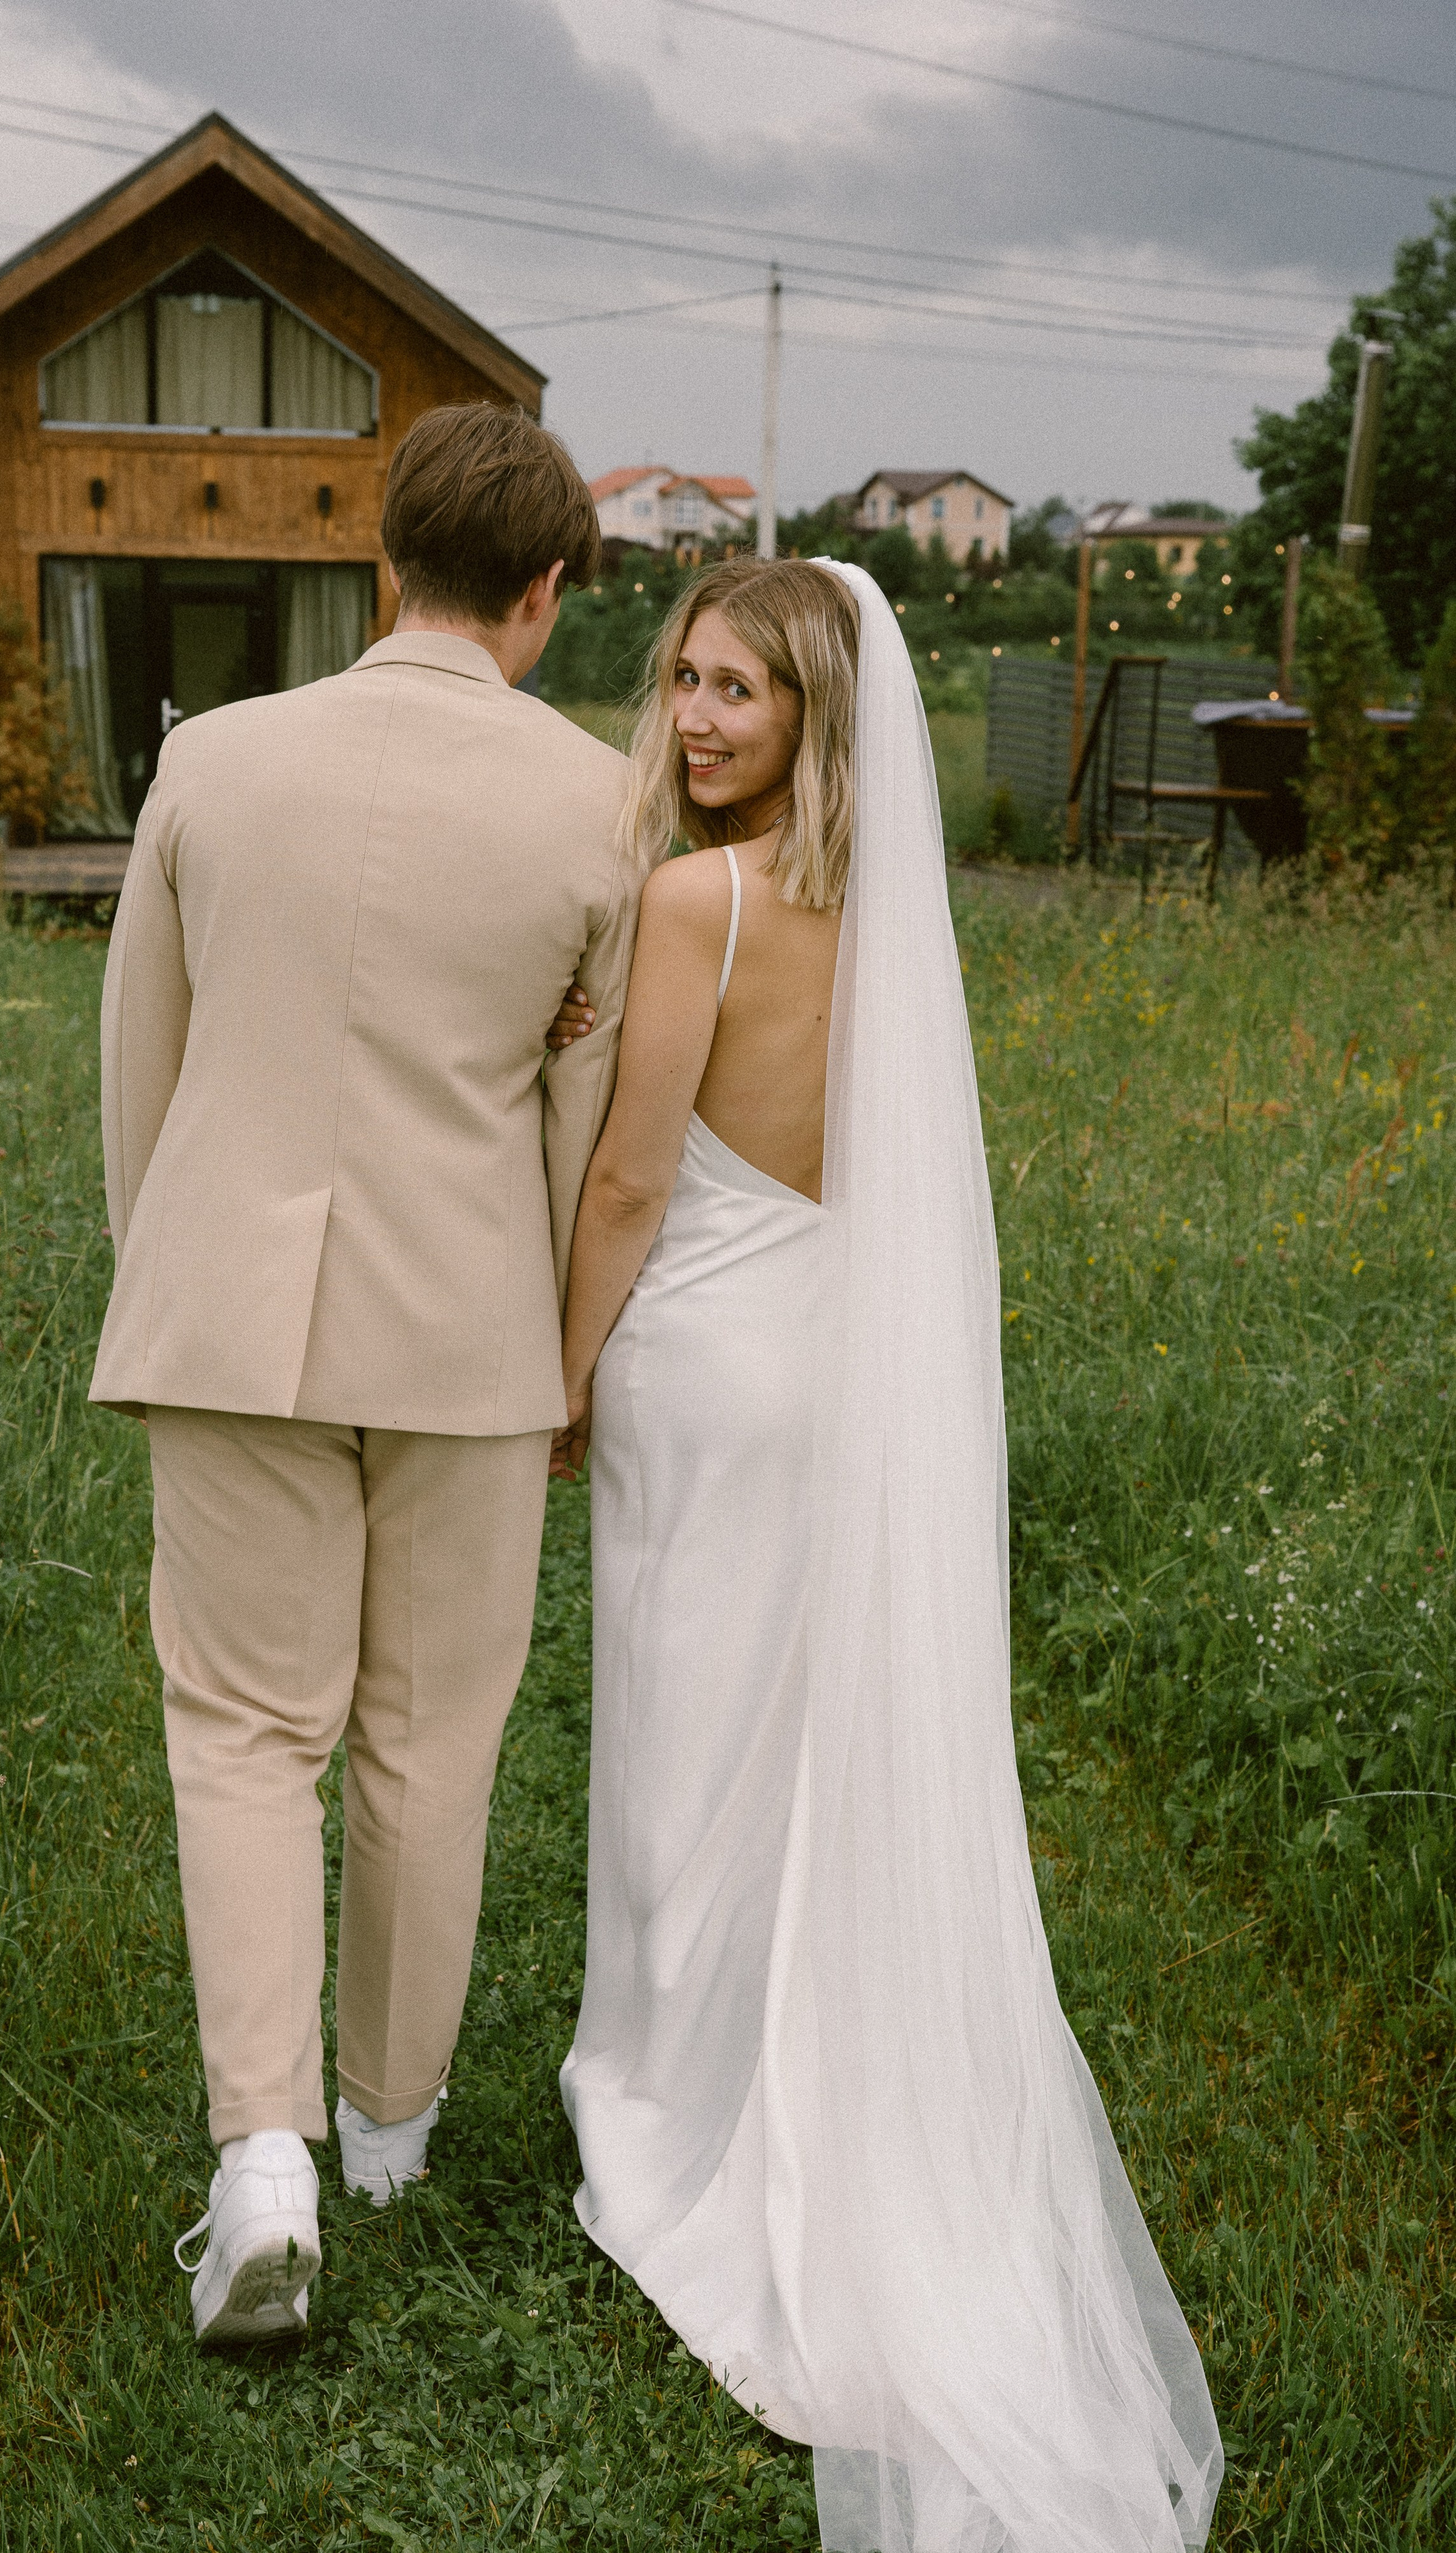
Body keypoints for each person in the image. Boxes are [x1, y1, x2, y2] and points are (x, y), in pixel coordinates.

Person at [550, 558, 1223, 2553]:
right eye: (681, 680)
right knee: (802, 1734)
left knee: (685, 1742)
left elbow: (638, 1174)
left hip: (708, 1362)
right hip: (842, 1368)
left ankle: (671, 2111)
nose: (692, 719)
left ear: (819, 716)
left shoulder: (706, 899)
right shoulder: (896, 916)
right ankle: (793, 2068)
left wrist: (564, 1371)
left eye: (737, 690)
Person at [90, 403, 639, 2345]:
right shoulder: (602, 809)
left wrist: (160, 1267)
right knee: (434, 1733)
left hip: (225, 1302)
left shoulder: (210, 762)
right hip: (473, 1330)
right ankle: (387, 2130)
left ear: (379, 551)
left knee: (245, 1732)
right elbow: (592, 1117)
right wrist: (568, 1362)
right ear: (551, 591)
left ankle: (262, 2163)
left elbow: (138, 1056)